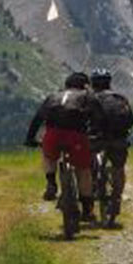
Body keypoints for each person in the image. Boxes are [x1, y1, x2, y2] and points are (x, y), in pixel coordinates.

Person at [25, 72, 96, 220]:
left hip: (53, 134)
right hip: (76, 135)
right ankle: (88, 209)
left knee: (48, 155)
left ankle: (51, 182)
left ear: (66, 84)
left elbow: (38, 118)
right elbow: (98, 116)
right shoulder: (87, 95)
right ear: (85, 85)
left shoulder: (54, 96)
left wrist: (30, 138)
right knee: (83, 170)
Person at [87, 68, 133, 224]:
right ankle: (116, 200)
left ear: (93, 83)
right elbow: (131, 120)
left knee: (85, 165)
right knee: (118, 168)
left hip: (97, 139)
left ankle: (88, 194)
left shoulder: (90, 98)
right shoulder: (120, 98)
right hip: (119, 139)